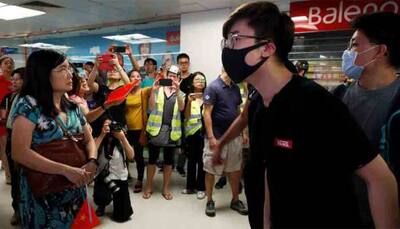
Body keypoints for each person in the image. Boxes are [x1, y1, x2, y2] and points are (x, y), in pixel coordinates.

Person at [215, 1, 399, 228]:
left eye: (235, 39)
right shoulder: (259, 107)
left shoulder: (316, 104)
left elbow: (381, 178)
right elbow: (270, 172)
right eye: (226, 41)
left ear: (268, 48)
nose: (227, 49)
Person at [11, 49, 98, 228]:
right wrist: (65, 170)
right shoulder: (28, 105)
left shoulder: (73, 107)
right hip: (44, 192)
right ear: (44, 73)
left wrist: (92, 160)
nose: (70, 74)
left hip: (75, 187)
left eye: (69, 68)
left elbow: (89, 140)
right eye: (62, 69)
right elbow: (20, 152)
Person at [335, 12, 400, 227]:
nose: (347, 52)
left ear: (380, 51)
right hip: (343, 211)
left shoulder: (397, 104)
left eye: (355, 45)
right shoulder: (339, 96)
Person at [202, 69, 248, 217]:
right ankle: (209, 200)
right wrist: (210, 137)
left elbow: (237, 111)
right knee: (211, 170)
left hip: (234, 138)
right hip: (216, 137)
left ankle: (235, 200)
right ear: (224, 69)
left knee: (235, 170)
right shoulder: (213, 87)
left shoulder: (235, 87)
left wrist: (243, 132)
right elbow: (207, 113)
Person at [143, 65, 185, 200]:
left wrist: (177, 91)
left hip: (172, 132)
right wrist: (153, 92)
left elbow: (182, 108)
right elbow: (150, 107)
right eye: (170, 75)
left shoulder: (181, 93)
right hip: (156, 130)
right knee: (152, 160)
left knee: (168, 161)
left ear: (179, 78)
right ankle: (148, 187)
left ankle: (166, 189)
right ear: (166, 76)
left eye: (175, 75)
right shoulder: (158, 89)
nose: (172, 77)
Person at [93, 119, 134, 222]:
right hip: (103, 177)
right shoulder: (99, 139)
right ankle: (102, 203)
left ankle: (116, 201)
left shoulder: (121, 139)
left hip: (119, 177)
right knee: (101, 197)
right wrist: (102, 134)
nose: (111, 129)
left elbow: (131, 156)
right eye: (107, 125)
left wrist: (123, 138)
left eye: (112, 126)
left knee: (122, 216)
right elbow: (92, 152)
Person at [2, 67, 24, 225]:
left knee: (27, 177)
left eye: (17, 79)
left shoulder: (31, 99)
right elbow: (5, 117)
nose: (13, 81)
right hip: (11, 137)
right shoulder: (10, 97)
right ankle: (17, 210)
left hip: (25, 139)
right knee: (16, 179)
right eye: (13, 79)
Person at [125, 69, 152, 193]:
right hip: (126, 128)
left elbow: (155, 87)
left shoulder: (143, 91)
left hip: (139, 129)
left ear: (141, 80)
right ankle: (126, 175)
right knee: (124, 155)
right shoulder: (125, 93)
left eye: (138, 76)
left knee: (139, 156)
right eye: (132, 76)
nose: (135, 78)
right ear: (128, 78)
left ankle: (140, 180)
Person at [181, 72, 207, 199]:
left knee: (203, 161)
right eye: (197, 79)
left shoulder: (209, 96)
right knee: (191, 160)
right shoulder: (188, 97)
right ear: (192, 82)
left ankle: (201, 188)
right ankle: (190, 187)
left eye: (202, 80)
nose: (200, 81)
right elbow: (186, 116)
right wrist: (190, 102)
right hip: (192, 133)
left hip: (205, 133)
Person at [0, 55, 14, 184]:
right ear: (1, 66)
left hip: (16, 119)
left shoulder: (17, 81)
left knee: (13, 148)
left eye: (11, 63)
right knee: (4, 147)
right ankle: (9, 176)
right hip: (2, 119)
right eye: (6, 62)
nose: (9, 65)